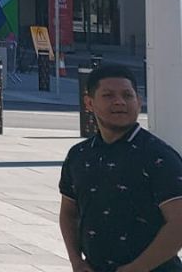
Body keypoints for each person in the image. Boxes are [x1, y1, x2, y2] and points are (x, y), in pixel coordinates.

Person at [59, 64, 182, 272]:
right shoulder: (79, 155)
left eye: (127, 95)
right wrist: (76, 261)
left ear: (139, 101)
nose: (119, 102)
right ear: (89, 102)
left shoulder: (158, 156)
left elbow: (179, 222)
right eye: (108, 95)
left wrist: (136, 269)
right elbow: (69, 213)